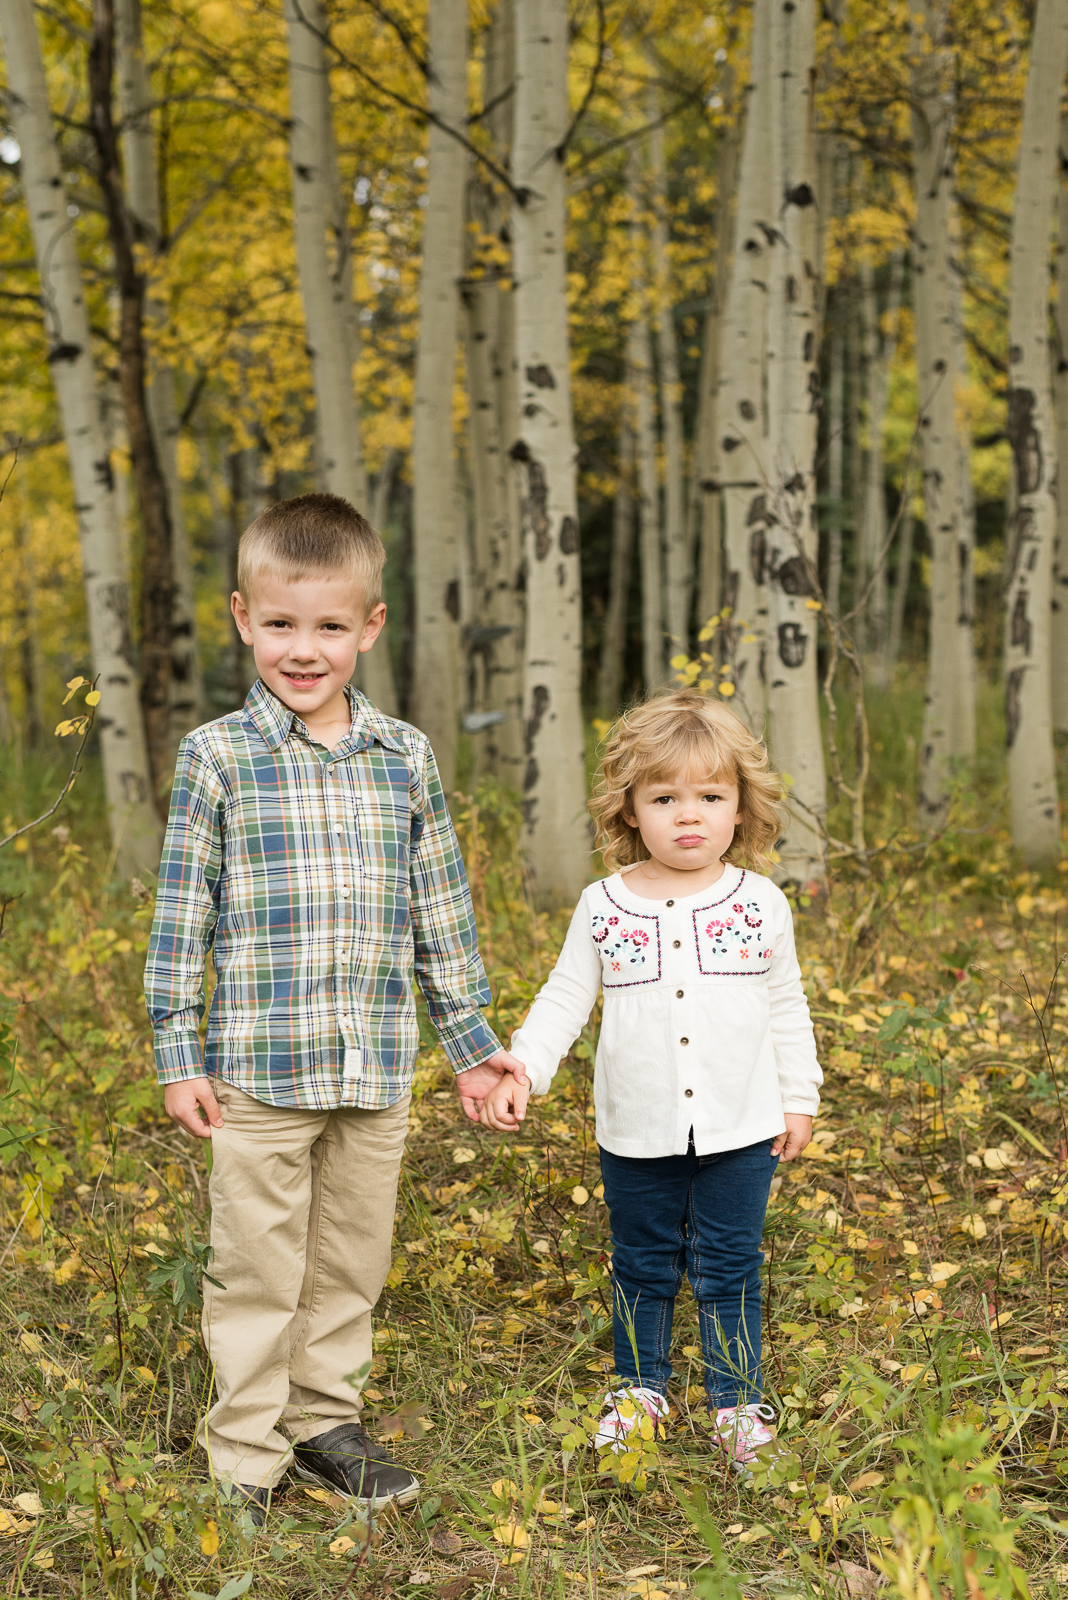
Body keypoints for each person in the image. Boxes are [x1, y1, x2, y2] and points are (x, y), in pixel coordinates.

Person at [145, 493, 524, 1525]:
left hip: (374, 1068)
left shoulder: (405, 756)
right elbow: (182, 916)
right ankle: (245, 1451)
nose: (303, 649)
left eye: (328, 626)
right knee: (257, 1266)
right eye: (280, 624)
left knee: (351, 1258)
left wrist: (472, 1047)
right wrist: (178, 1051)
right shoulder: (218, 756)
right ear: (242, 618)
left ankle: (324, 1421)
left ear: (370, 626)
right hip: (260, 1072)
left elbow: (439, 914)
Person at [479, 690, 822, 1474]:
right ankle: (640, 1392)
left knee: (730, 1265)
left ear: (742, 807)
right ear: (630, 809)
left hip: (741, 1125)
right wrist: (524, 1068)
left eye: (711, 797)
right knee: (642, 1262)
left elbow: (785, 1005)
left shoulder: (760, 903)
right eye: (665, 798)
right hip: (636, 1130)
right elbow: (565, 997)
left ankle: (737, 1403)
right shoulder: (604, 906)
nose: (688, 815)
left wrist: (798, 1098)